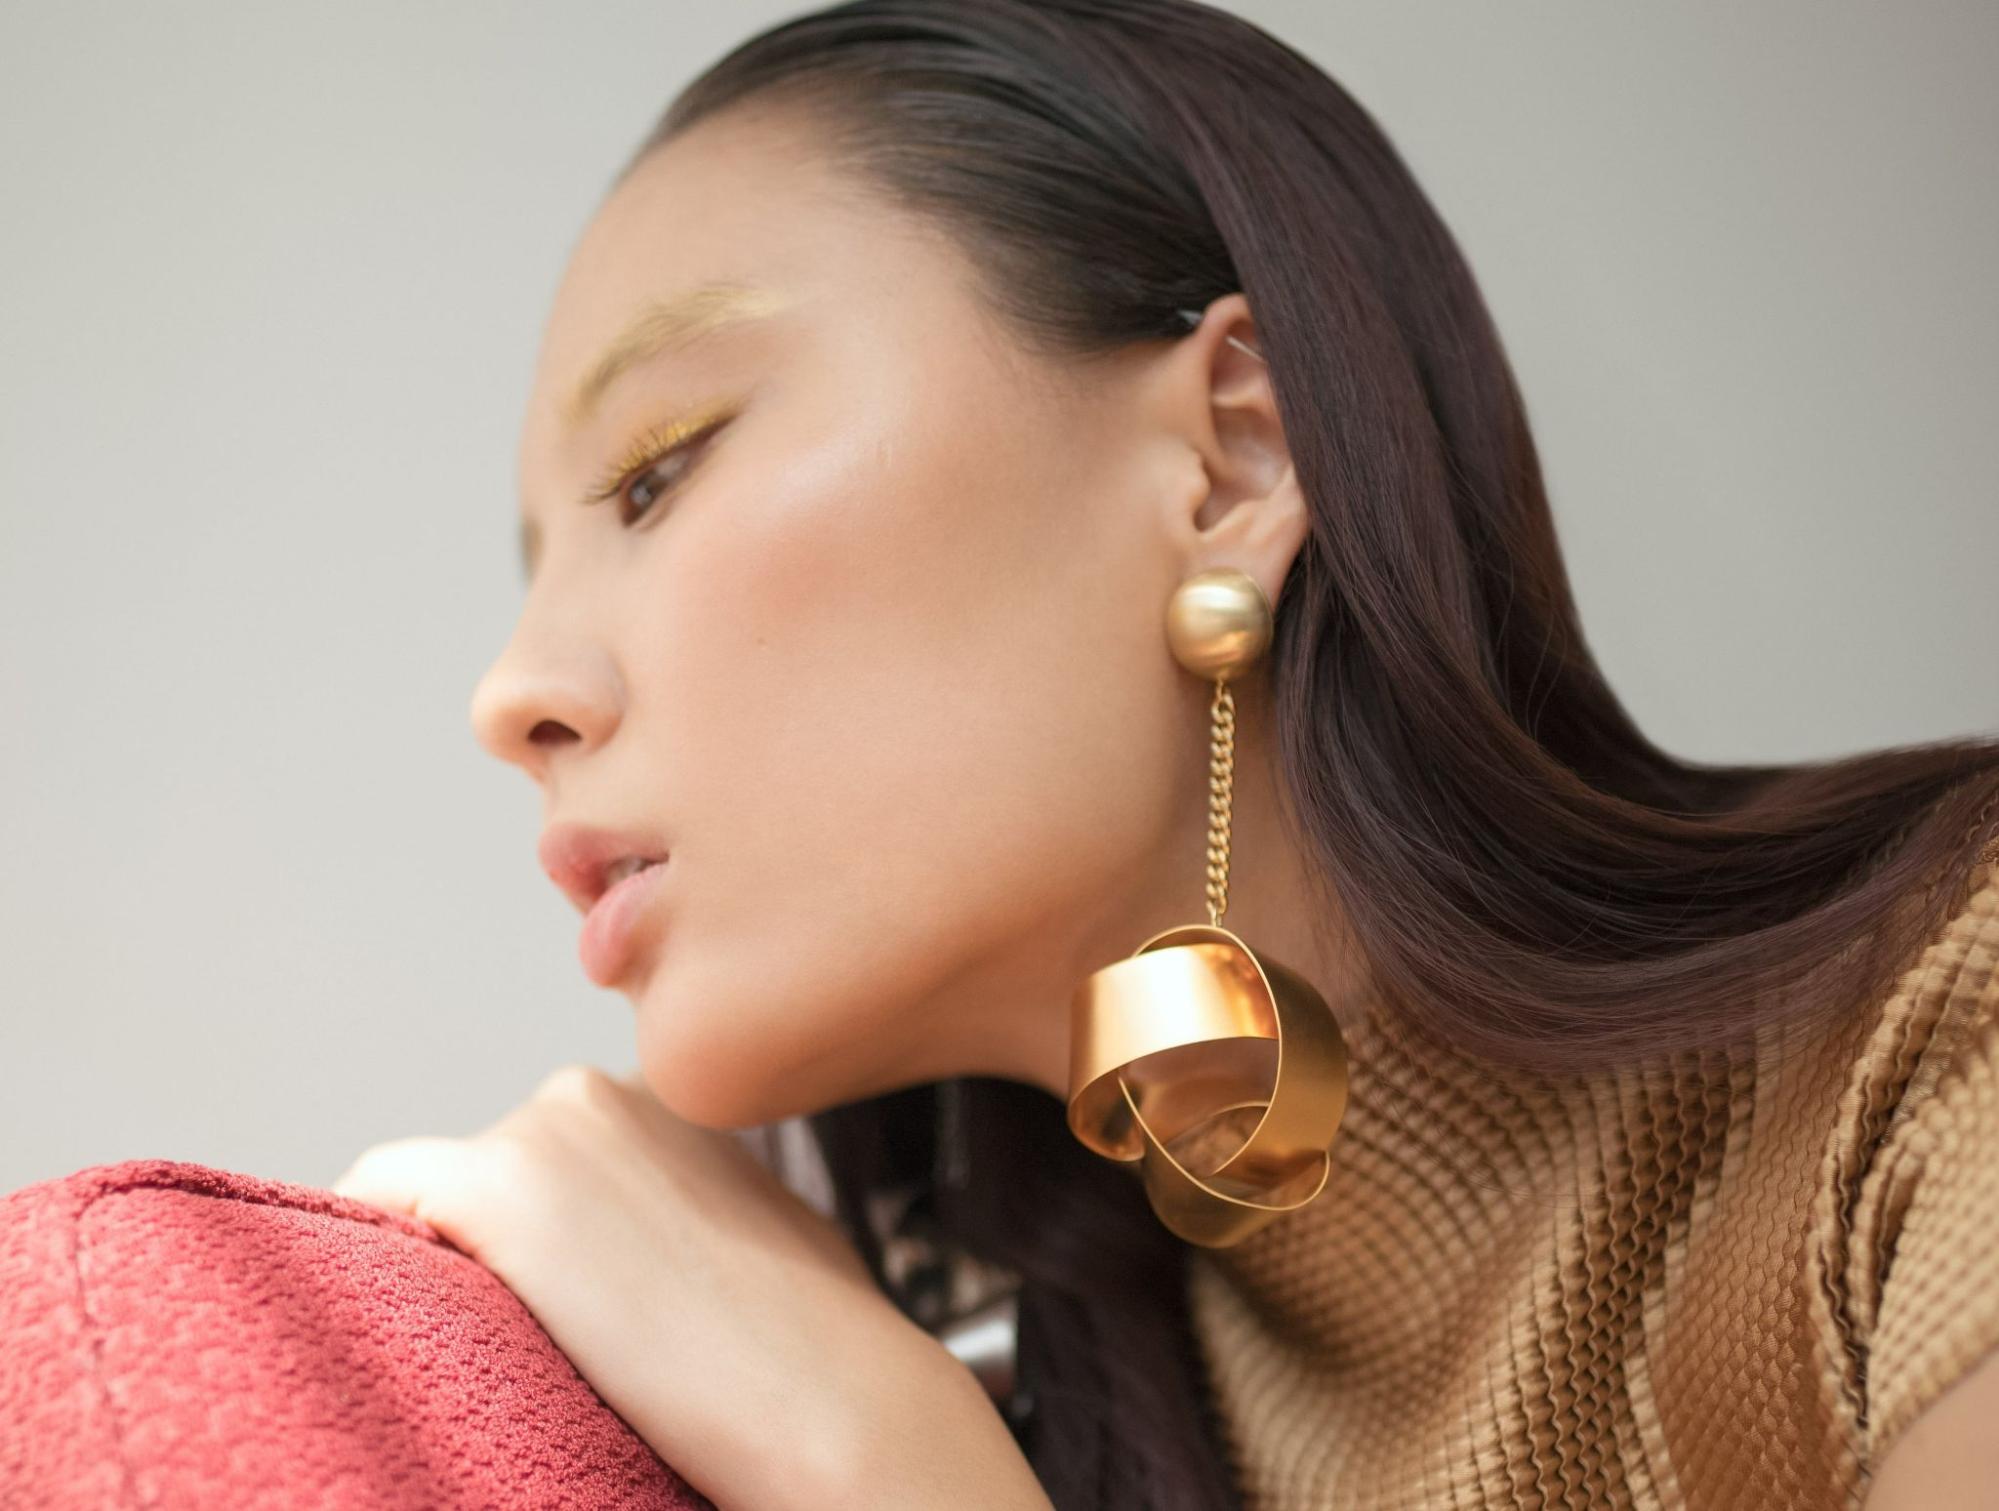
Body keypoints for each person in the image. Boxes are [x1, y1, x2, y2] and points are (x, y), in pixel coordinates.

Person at [329, 2, 1999, 1507]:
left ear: (1230, 461)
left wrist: (883, 1473)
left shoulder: (1945, 1045)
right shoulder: (1011, 1388)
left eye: (657, 471)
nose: (511, 690)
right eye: (534, 559)